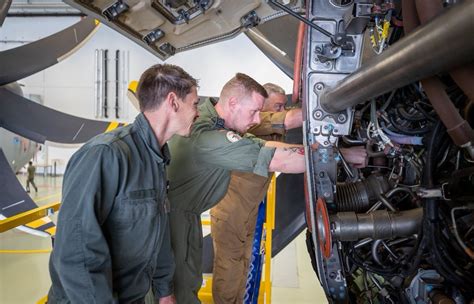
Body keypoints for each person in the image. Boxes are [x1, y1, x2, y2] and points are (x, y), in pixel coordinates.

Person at [47, 64, 200, 304]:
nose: (198, 113)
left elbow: (157, 231)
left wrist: (164, 290)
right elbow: (75, 250)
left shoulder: (156, 159)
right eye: (195, 104)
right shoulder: (106, 154)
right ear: (173, 102)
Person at [210, 83, 368, 303]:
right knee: (229, 269)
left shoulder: (265, 126)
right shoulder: (252, 125)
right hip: (231, 212)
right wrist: (341, 143)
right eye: (277, 105)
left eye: (284, 106)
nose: (281, 110)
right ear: (262, 105)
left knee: (244, 265)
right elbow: (286, 133)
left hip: (248, 211)